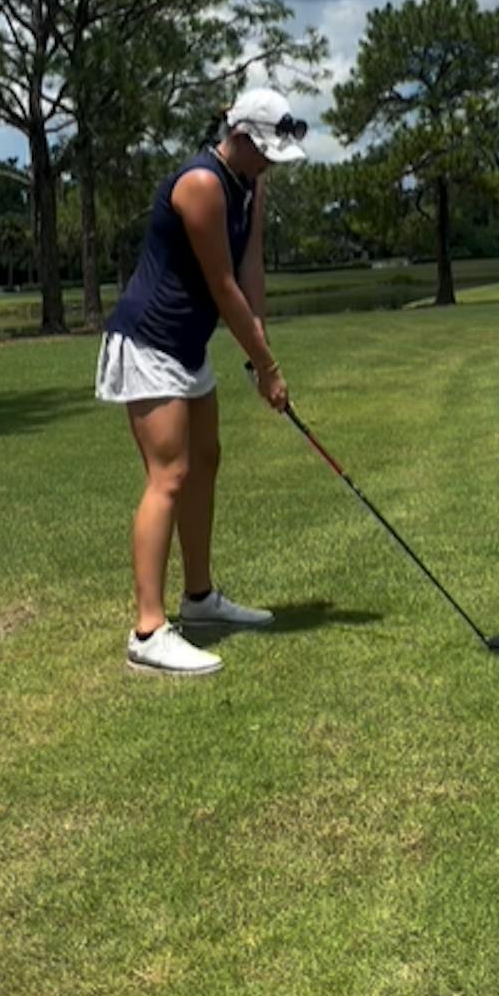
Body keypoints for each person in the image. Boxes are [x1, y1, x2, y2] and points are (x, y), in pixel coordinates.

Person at [95, 87, 308, 675]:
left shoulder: (249, 184)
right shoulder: (201, 185)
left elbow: (249, 266)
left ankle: (200, 600)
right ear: (237, 136)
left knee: (206, 459)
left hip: (188, 345)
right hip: (148, 341)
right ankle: (146, 630)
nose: (269, 164)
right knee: (170, 474)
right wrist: (266, 368)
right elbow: (220, 285)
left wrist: (259, 352)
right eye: (263, 151)